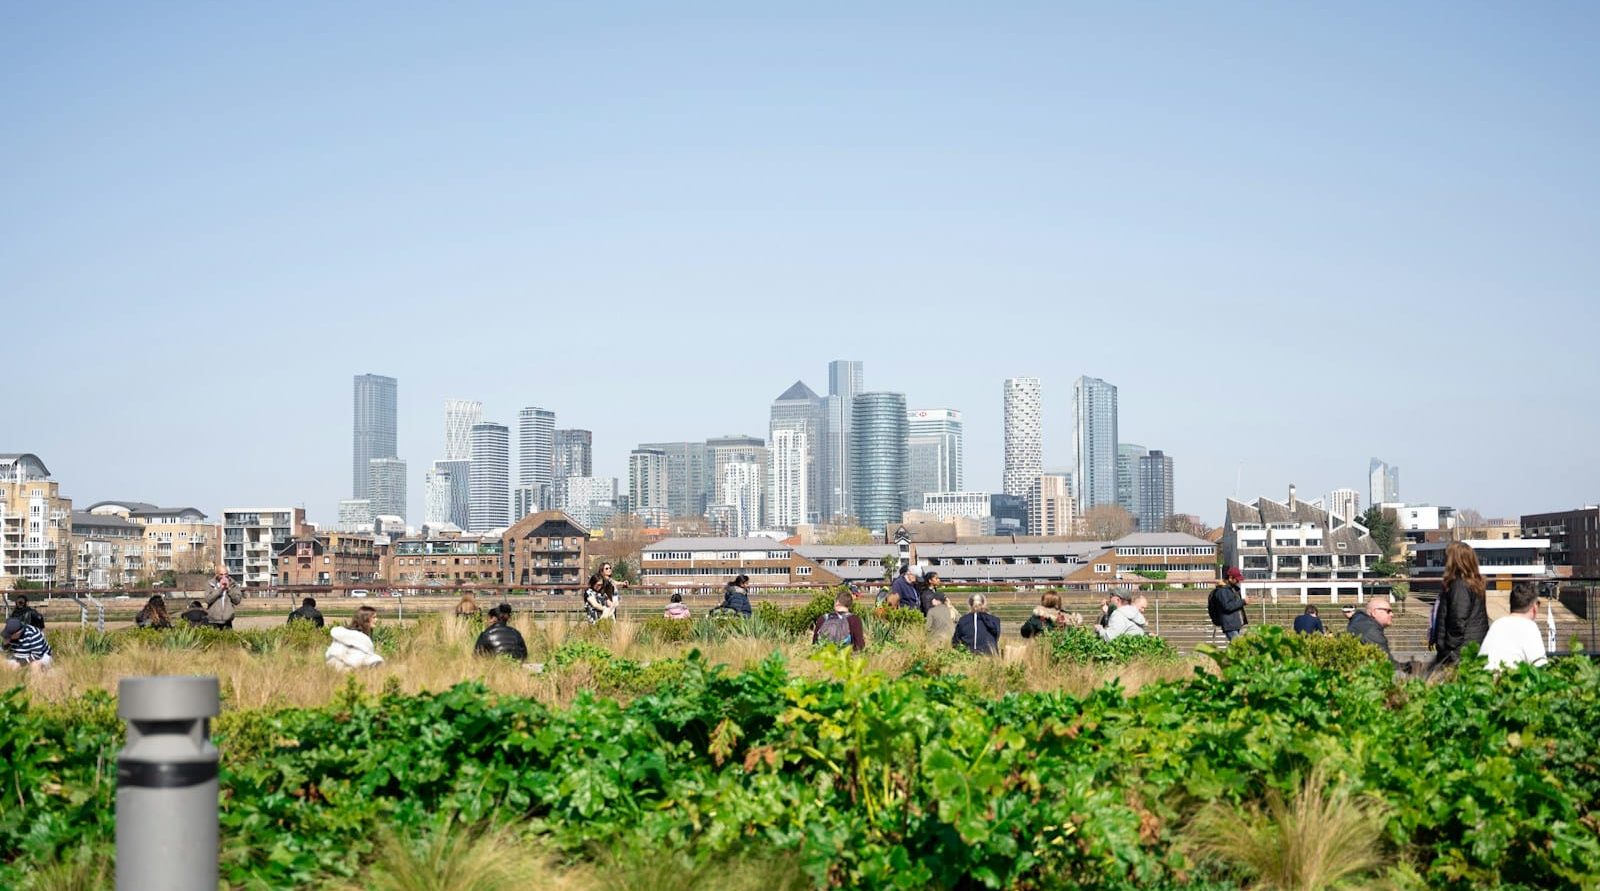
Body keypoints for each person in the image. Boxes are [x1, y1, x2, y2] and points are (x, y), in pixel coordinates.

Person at [1433, 541, 1490, 670]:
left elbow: (1458, 619)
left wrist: (1449, 647)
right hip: (1471, 645)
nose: (1444, 561)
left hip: (1459, 651)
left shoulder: (1459, 586)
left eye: (1447, 557)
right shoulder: (1473, 583)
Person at [1480, 582, 1548, 671]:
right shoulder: (1529, 627)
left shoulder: (1497, 624)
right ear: (1534, 607)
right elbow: (1540, 665)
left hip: (1484, 679)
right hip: (1508, 680)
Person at [325, 605, 384, 670]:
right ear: (365, 619)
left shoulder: (343, 636)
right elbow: (359, 662)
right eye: (374, 617)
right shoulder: (361, 640)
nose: (376, 620)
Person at [1346, 598, 1396, 666]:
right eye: (1388, 611)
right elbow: (1387, 664)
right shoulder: (1371, 631)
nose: (1392, 615)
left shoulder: (1361, 621)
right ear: (1374, 612)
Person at [1207, 567, 1249, 641]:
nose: (1238, 581)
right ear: (1230, 578)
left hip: (1233, 624)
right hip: (1229, 625)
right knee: (1238, 646)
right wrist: (1243, 602)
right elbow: (1227, 606)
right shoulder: (1222, 591)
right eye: (1237, 579)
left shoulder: (1230, 589)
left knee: (1235, 647)